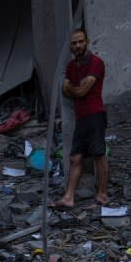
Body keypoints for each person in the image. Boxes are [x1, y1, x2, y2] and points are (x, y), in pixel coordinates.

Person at [53, 28, 109, 209]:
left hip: (95, 114)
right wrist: (74, 88)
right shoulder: (71, 67)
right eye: (74, 43)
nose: (77, 45)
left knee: (98, 155)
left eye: (80, 41)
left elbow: (81, 90)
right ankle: (69, 197)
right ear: (70, 46)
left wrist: (72, 88)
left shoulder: (96, 62)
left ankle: (102, 195)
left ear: (87, 42)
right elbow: (65, 90)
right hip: (81, 117)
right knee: (75, 159)